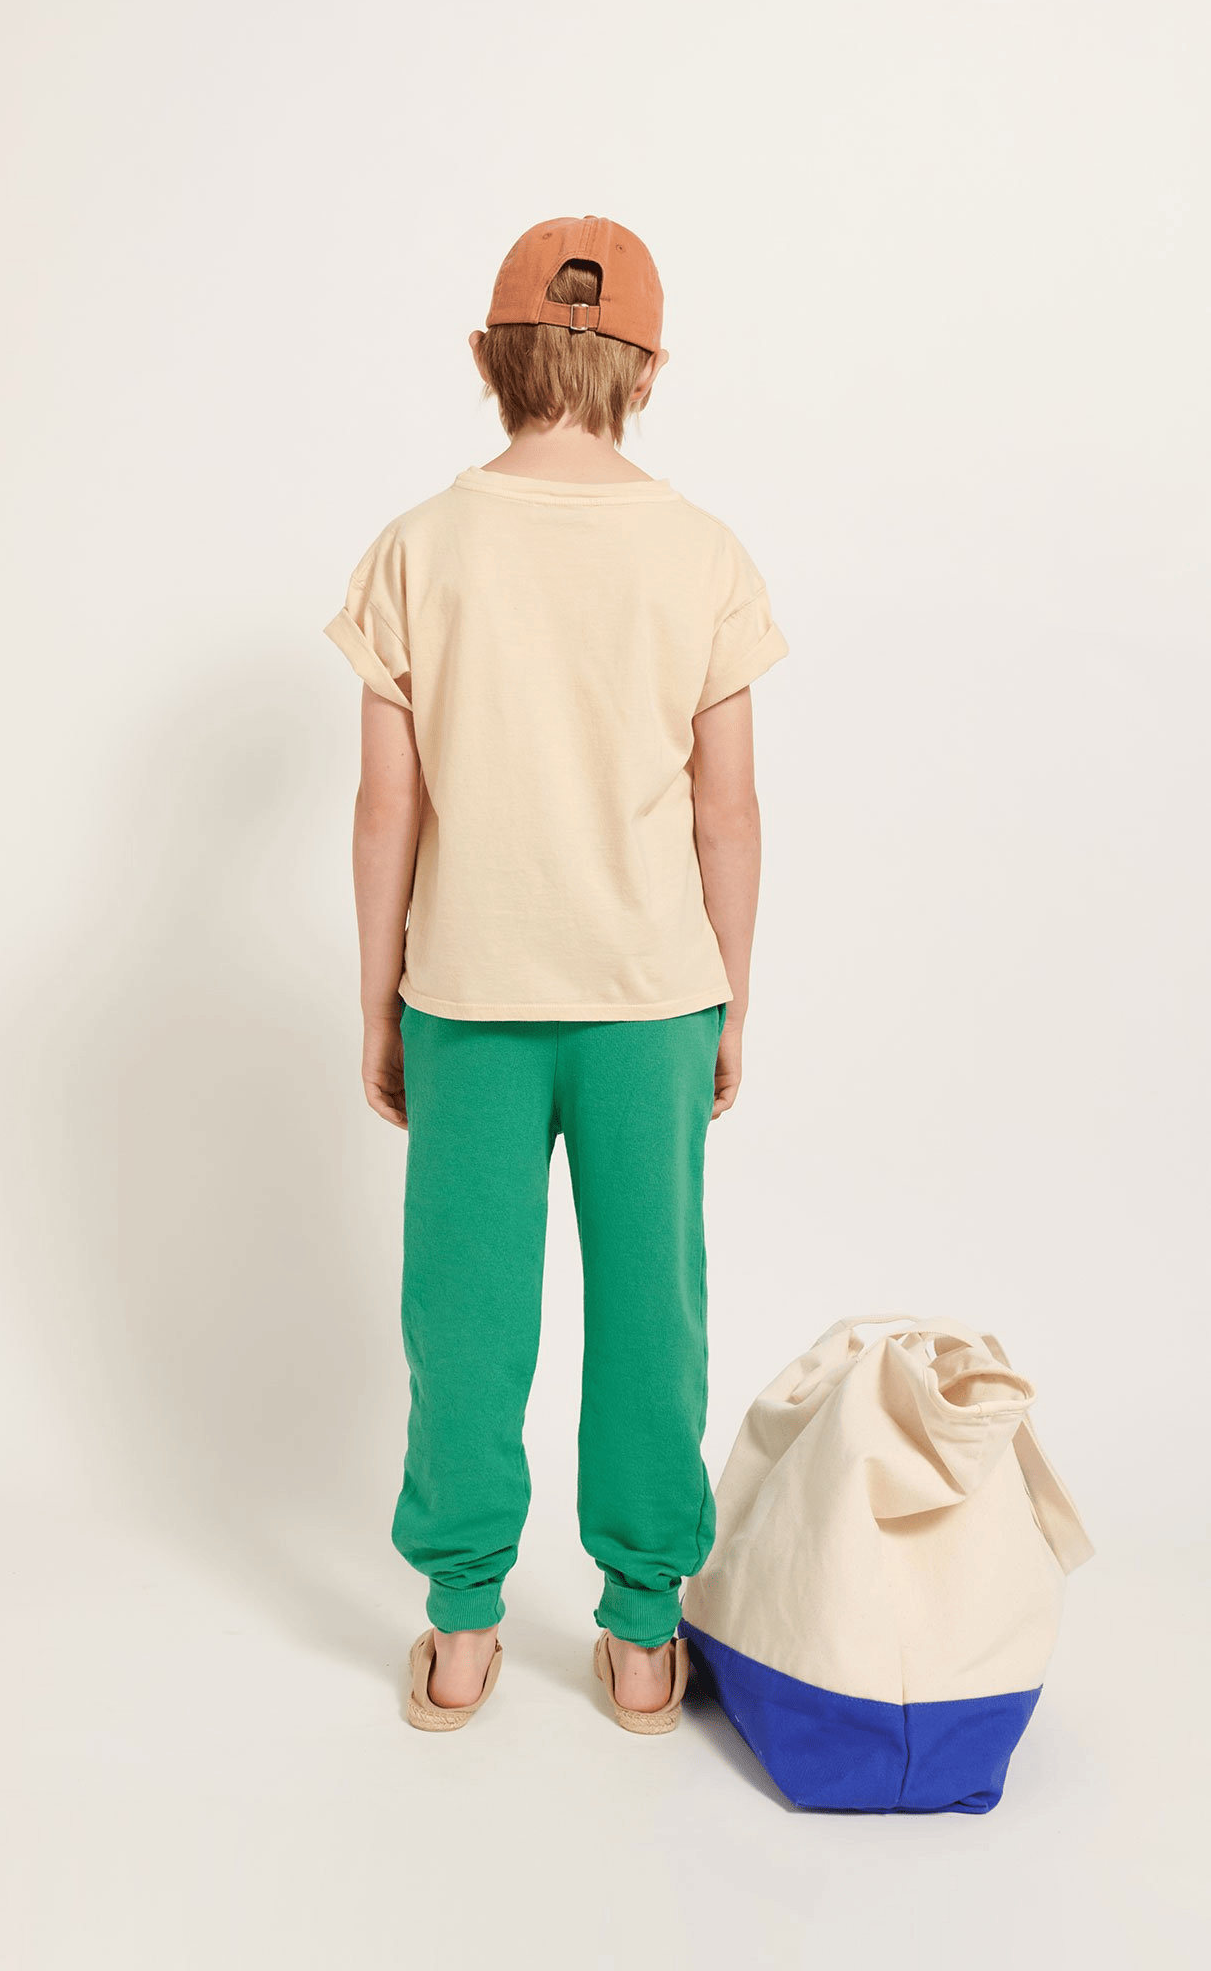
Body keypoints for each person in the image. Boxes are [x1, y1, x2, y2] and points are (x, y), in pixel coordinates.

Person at [323, 214, 789, 1733]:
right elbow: (729, 807)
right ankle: (643, 1633)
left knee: (464, 1317)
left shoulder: (419, 547)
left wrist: (379, 997)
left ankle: (463, 1628)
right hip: (651, 994)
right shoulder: (703, 552)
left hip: (469, 993)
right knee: (654, 1311)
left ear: (490, 357)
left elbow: (387, 806)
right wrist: (732, 996)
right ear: (647, 369)